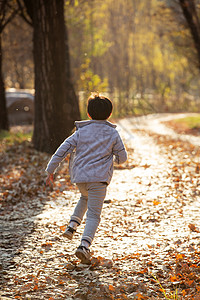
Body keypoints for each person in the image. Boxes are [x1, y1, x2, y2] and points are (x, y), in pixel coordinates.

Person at [46, 93, 127, 264]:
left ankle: (71, 226)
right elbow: (123, 157)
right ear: (109, 114)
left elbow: (63, 149)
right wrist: (116, 159)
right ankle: (84, 246)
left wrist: (50, 170)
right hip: (99, 180)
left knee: (84, 197)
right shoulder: (112, 134)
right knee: (93, 215)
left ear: (89, 114)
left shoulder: (80, 132)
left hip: (80, 179)